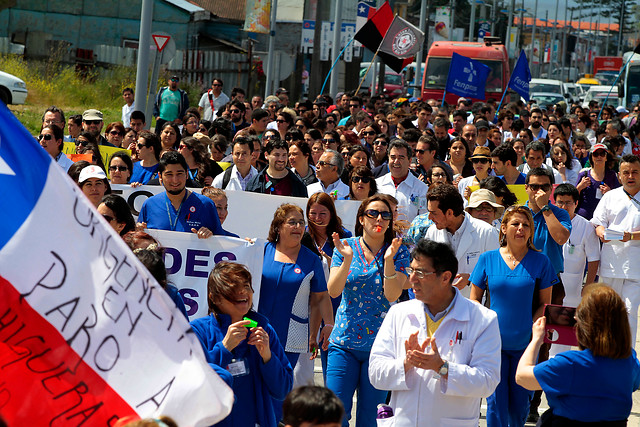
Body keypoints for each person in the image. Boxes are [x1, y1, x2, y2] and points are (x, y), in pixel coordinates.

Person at [369, 240, 501, 426]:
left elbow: (488, 381)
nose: (412, 279)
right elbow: (375, 374)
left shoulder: (483, 319)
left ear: (446, 277)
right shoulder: (398, 313)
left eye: (421, 273)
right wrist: (406, 363)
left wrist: (443, 367)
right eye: (411, 271)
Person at [326, 195, 410, 427]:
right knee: (334, 413)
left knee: (371, 418)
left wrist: (390, 261)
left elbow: (392, 294)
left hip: (381, 347)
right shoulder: (345, 246)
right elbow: (333, 290)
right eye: (372, 213)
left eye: (385, 214)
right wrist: (346, 261)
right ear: (361, 219)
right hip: (344, 343)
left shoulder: (399, 250)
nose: (379, 219)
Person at [470, 205, 557, 427]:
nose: (520, 229)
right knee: (496, 407)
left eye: (526, 225)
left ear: (531, 231)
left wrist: (532, 331)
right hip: (492, 345)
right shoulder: (487, 259)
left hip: (524, 346)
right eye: (515, 224)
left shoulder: (542, 262)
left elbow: (544, 303)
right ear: (503, 228)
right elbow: (474, 301)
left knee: (519, 408)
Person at [516, 285, 640, 424]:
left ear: (584, 325)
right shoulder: (630, 361)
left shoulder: (569, 363)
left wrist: (536, 340)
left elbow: (521, 377)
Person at [190, 261, 293, 427]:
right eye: (233, 288)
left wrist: (267, 356)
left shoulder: (263, 329)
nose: (243, 292)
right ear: (214, 297)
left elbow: (283, 390)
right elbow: (193, 386)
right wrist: (224, 348)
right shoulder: (198, 331)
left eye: (246, 285)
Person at [258, 204, 333, 385]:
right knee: (257, 383)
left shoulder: (312, 260)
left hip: (292, 336)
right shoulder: (260, 250)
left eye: (301, 223)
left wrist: (328, 324)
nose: (299, 227)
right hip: (257, 329)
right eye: (292, 222)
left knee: (280, 384)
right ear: (278, 226)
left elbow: (321, 297)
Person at [592, 154, 640, 344]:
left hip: (635, 269)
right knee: (609, 313)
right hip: (611, 265)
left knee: (629, 313)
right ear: (619, 175)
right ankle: (608, 356)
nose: (630, 176)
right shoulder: (610, 196)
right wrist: (601, 231)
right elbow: (597, 222)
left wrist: (632, 236)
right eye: (626, 172)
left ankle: (628, 358)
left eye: (635, 172)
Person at [424, 184, 499, 296]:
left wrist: (470, 278)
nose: (429, 217)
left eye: (434, 213)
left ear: (450, 213)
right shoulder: (432, 232)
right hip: (442, 303)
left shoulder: (486, 232)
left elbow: (497, 273)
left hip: (475, 305)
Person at [137, 152, 230, 238]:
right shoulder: (150, 205)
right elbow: (140, 242)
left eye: (179, 174)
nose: (175, 180)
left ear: (186, 174)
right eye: (169, 174)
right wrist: (139, 231)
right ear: (160, 177)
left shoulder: (205, 204)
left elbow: (221, 243)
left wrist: (211, 236)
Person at [376, 140, 429, 224]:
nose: (396, 161)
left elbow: (424, 219)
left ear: (409, 160)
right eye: (393, 157)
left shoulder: (422, 189)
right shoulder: (377, 184)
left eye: (401, 158)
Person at [576, 142, 621, 220]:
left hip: (604, 219)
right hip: (584, 218)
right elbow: (572, 196)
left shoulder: (612, 175)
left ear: (606, 157)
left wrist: (609, 193)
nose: (599, 157)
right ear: (591, 158)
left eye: (602, 154)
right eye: (596, 154)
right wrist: (580, 187)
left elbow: (619, 198)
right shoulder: (584, 174)